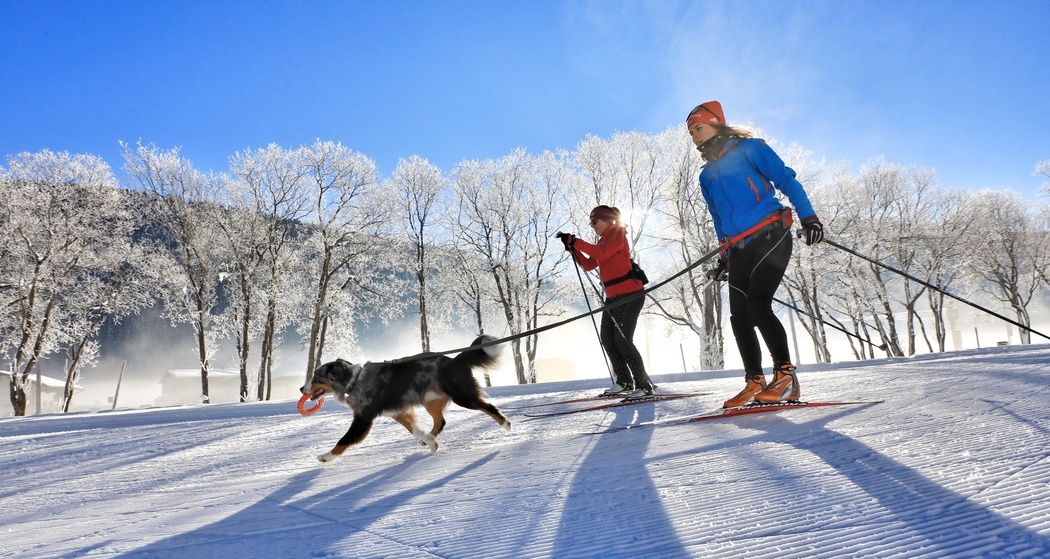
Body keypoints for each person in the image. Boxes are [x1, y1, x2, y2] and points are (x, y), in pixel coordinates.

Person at [686, 100, 825, 408]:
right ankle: (754, 382)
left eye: (698, 128)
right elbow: (718, 216)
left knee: (757, 303)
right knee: (738, 316)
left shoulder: (750, 148)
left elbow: (786, 180)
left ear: (716, 124)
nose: (694, 136)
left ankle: (786, 377)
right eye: (691, 132)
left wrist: (809, 217)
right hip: (737, 247)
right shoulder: (706, 176)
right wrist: (723, 254)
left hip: (770, 234)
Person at [557, 206, 655, 397]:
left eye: (595, 221)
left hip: (631, 295)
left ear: (606, 220)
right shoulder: (603, 241)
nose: (592, 226)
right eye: (591, 223)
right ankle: (624, 382)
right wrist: (573, 249)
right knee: (608, 340)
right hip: (612, 298)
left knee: (623, 340)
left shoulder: (617, 233)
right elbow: (589, 264)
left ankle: (643, 385)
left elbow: (601, 254)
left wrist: (576, 241)